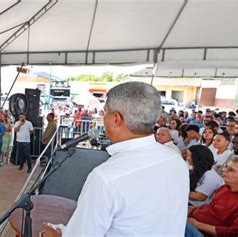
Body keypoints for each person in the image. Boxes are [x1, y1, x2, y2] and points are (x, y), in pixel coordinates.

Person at [44, 81, 189, 236]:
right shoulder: (175, 160)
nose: (103, 117)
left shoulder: (106, 177)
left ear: (116, 119)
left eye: (105, 112)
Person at [186, 154, 238, 236]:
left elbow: (232, 232)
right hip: (196, 217)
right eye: (226, 166)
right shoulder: (225, 187)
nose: (223, 170)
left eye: (231, 170)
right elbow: (213, 207)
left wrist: (197, 224)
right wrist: (193, 208)